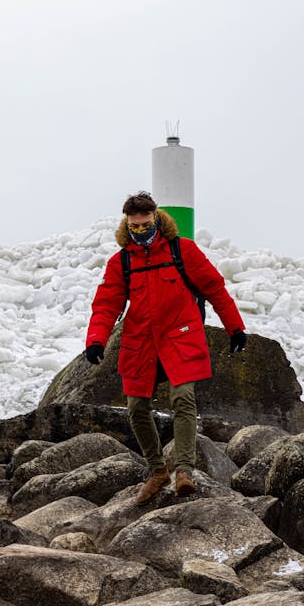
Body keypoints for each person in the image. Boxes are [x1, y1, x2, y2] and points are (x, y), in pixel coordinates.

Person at [85, 192, 247, 504]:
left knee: (183, 397)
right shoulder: (122, 262)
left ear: (156, 219)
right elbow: (106, 305)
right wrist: (95, 340)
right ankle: (157, 470)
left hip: (179, 333)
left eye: (146, 225)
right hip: (141, 340)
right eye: (135, 226)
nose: (141, 231)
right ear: (127, 224)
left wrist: (235, 327)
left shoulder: (181, 249)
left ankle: (184, 471)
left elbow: (214, 287)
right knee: (136, 407)